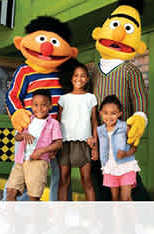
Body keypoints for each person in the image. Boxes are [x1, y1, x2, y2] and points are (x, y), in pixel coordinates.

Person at [3, 16, 78, 201]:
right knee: (23, 171)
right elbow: (12, 95)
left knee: (60, 176)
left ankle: (57, 214)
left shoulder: (65, 73)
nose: (47, 47)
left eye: (53, 42)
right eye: (42, 40)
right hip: (31, 131)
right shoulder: (24, 71)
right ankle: (9, 210)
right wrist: (17, 113)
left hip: (57, 133)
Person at [90, 0, 150, 200]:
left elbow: (140, 96)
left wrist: (140, 117)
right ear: (99, 32)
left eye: (127, 29)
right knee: (100, 175)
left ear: (139, 45)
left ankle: (144, 215)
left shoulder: (130, 70)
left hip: (120, 132)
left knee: (127, 175)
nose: (118, 34)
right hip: (97, 134)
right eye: (115, 26)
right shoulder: (93, 72)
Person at [6, 89, 63, 201]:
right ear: (31, 106)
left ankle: (36, 218)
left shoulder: (53, 123)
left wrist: (41, 151)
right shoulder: (28, 120)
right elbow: (17, 137)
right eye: (36, 105)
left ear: (50, 106)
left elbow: (59, 143)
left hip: (38, 162)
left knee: (33, 197)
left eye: (44, 105)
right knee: (11, 191)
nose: (39, 108)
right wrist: (23, 135)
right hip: (21, 161)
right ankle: (10, 219)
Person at [57, 63, 98, 201]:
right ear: (71, 78)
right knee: (64, 180)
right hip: (65, 143)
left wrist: (95, 145)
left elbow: (94, 122)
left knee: (87, 179)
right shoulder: (63, 98)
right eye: (76, 75)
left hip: (84, 142)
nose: (79, 78)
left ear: (87, 79)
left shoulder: (91, 98)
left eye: (82, 76)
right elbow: (57, 122)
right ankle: (59, 218)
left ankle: (92, 217)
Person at [88, 95, 140, 201]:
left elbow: (134, 148)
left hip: (126, 167)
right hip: (110, 168)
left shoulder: (125, 127)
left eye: (113, 113)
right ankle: (117, 218)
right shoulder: (100, 130)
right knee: (115, 199)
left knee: (125, 198)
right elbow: (97, 147)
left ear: (119, 114)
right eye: (105, 113)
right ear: (101, 113)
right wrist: (91, 144)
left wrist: (126, 154)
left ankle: (133, 217)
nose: (109, 117)